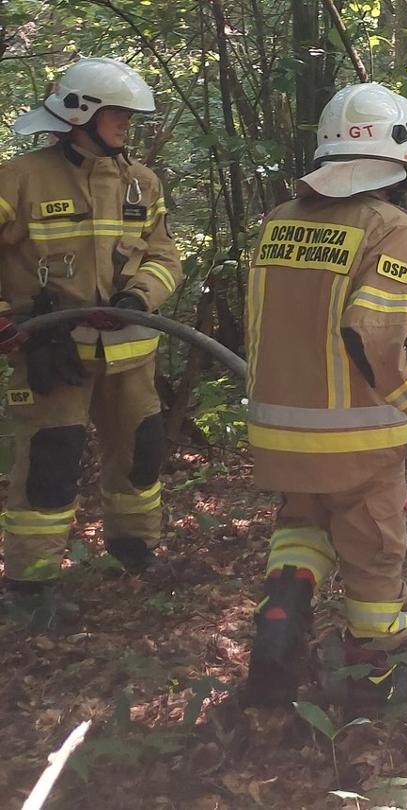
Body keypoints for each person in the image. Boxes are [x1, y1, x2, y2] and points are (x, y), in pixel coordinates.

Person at [240, 82, 407, 708]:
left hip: (277, 434)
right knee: (375, 553)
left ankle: (281, 615)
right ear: (399, 150)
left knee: (302, 524)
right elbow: (372, 343)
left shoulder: (279, 220)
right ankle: (375, 676)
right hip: (354, 440)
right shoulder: (389, 228)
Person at [0, 57, 181, 593]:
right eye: (116, 113)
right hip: (52, 354)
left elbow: (164, 257)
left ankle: (136, 553)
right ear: (80, 115)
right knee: (49, 463)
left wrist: (137, 296)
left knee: (140, 455)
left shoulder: (141, 183)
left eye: (129, 114)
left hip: (131, 354)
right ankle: (33, 583)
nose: (126, 123)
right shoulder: (20, 178)